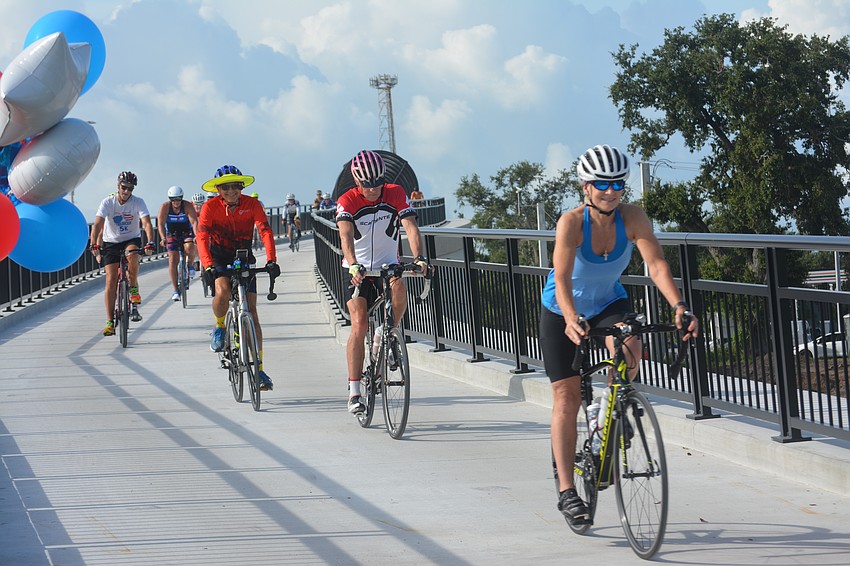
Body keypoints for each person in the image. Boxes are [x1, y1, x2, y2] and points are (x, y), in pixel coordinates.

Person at [539, 144, 699, 526]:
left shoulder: (633, 217)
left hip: (608, 301)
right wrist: (571, 317)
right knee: (566, 395)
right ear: (585, 186)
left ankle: (608, 411)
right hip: (563, 308)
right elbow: (560, 277)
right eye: (601, 184)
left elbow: (656, 263)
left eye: (617, 184)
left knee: (632, 347)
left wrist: (679, 306)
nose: (610, 191)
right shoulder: (572, 223)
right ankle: (566, 491)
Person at [337, 150, 428, 414]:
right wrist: (352, 263)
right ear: (357, 182)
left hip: (388, 266)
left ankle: (387, 331)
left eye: (378, 182)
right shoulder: (348, 200)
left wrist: (420, 258)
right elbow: (345, 235)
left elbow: (410, 225)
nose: (374, 188)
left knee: (399, 287)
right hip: (359, 270)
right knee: (359, 323)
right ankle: (354, 391)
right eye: (367, 184)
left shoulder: (396, 192)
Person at [196, 164, 280, 391]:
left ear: (241, 186)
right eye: (226, 187)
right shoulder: (209, 207)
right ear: (218, 190)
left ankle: (259, 369)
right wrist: (208, 265)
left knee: (252, 313)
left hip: (243, 257)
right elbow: (201, 238)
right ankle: (220, 326)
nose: (231, 191)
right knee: (223, 291)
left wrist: (271, 260)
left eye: (235, 186)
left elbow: (265, 230)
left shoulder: (252, 205)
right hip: (219, 257)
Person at [89, 171, 156, 336]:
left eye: (130, 189)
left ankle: (133, 289)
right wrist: (94, 244)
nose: (126, 192)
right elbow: (97, 225)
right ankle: (110, 321)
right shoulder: (107, 202)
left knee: (132, 254)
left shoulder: (138, 202)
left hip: (131, 239)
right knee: (111, 280)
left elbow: (147, 223)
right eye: (124, 188)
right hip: (111, 241)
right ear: (118, 186)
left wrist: (150, 242)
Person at [157, 186, 199, 301]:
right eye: (173, 200)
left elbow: (194, 221)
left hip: (186, 231)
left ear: (182, 198)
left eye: (178, 199)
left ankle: (190, 264)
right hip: (171, 233)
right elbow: (160, 224)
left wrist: (197, 236)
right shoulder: (165, 207)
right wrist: (162, 237)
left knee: (190, 247)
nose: (176, 202)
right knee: (172, 259)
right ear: (170, 199)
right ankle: (175, 290)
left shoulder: (187, 206)